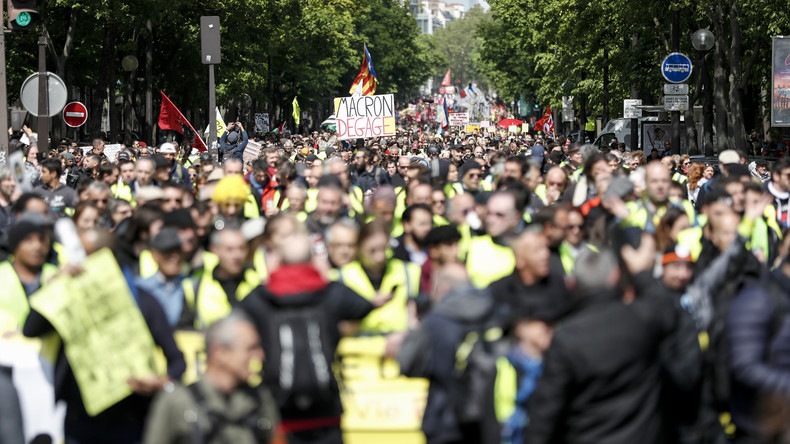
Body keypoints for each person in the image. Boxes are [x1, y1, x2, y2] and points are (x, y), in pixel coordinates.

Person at [525, 238, 701, 444]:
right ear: (616, 277)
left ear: (572, 284)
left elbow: (546, 413)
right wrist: (641, 272)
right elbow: (665, 307)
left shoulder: (566, 338)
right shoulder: (639, 321)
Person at [239, 233, 381, 444]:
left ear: (277, 260)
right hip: (326, 414)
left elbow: (234, 320)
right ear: (314, 259)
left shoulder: (260, 299)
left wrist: (269, 276)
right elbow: (365, 307)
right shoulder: (332, 293)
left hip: (278, 414)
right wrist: (324, 272)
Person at [398, 263, 501, 444]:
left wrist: (414, 327)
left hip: (445, 419)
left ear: (444, 288)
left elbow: (407, 363)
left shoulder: (437, 320)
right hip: (488, 418)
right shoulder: (493, 312)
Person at [143, 313, 279, 444]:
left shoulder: (259, 399)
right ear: (220, 353)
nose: (260, 355)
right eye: (251, 348)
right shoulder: (177, 402)